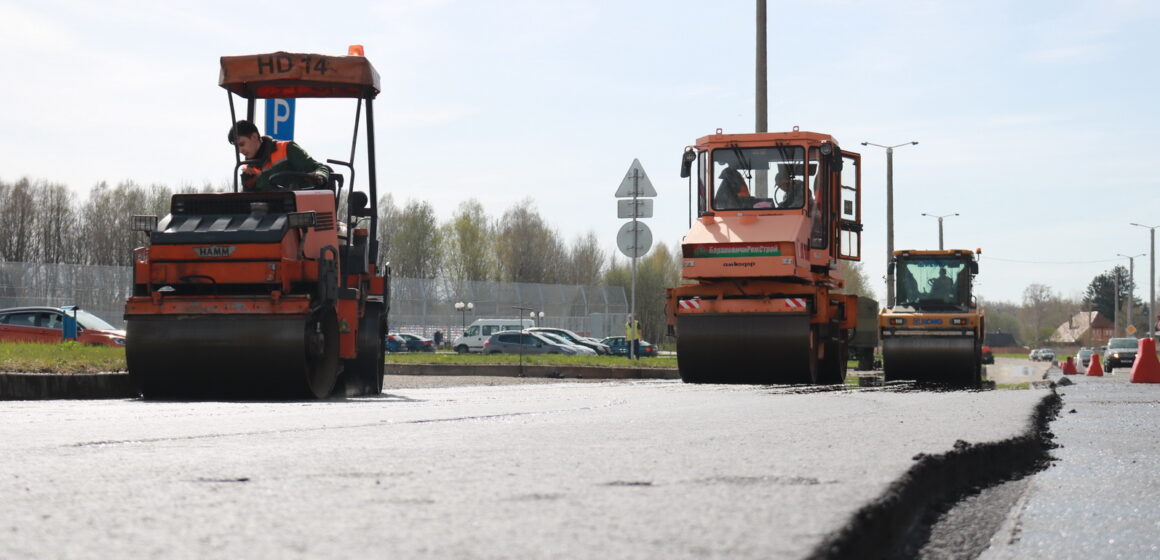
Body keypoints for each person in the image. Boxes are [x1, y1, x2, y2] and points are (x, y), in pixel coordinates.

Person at [227, 120, 331, 192]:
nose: (240, 150)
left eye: (242, 144)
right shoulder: (248, 170)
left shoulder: (286, 149)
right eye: (237, 147)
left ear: (254, 137)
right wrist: (247, 186)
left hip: (298, 214)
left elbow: (320, 168)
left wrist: (319, 177)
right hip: (269, 217)